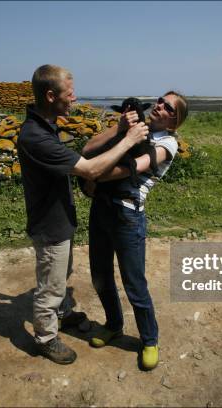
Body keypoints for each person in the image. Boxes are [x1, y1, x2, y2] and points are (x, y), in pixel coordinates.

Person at [16, 64, 149, 365]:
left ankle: (61, 314)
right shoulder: (35, 135)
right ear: (50, 96)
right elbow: (90, 168)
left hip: (59, 217)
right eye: (70, 93)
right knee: (50, 284)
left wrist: (120, 128)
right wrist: (129, 141)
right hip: (49, 223)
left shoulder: (46, 122)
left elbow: (83, 153)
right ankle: (46, 338)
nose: (74, 98)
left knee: (60, 275)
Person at [82, 91, 189, 370]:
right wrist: (119, 128)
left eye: (168, 107)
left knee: (134, 284)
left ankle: (150, 340)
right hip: (101, 209)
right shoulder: (131, 128)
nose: (159, 106)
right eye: (159, 101)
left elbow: (131, 169)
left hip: (128, 215)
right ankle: (114, 324)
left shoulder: (167, 143)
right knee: (100, 275)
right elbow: (89, 148)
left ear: (174, 121)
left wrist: (90, 172)